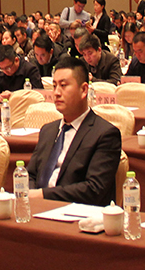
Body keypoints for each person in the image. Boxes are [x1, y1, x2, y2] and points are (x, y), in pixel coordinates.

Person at [27, 55, 121, 206]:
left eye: (63, 86)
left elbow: (94, 189)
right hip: (37, 209)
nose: (56, 92)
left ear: (84, 90)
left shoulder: (105, 134)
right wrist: (29, 195)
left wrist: (42, 195)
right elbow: (30, 174)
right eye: (54, 86)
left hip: (76, 216)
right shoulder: (48, 130)